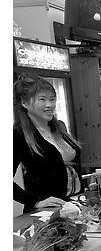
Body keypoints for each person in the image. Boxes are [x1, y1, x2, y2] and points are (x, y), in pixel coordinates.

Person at [13, 74, 82, 213]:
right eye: (42, 99)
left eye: (52, 99)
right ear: (24, 103)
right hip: (46, 212)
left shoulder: (60, 127)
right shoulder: (18, 135)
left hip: (73, 204)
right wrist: (35, 202)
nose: (50, 105)